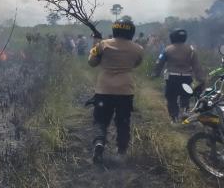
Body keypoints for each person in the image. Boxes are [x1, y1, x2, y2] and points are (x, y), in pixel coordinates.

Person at [88, 18, 144, 163]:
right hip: (125, 92)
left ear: (115, 29)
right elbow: (136, 64)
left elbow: (92, 62)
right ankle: (121, 152)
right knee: (123, 122)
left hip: (103, 90)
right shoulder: (138, 49)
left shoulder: (102, 45)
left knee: (100, 120)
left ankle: (99, 142)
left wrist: (95, 43)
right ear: (131, 31)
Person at [152, 28, 205, 123]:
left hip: (171, 78)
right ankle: (184, 111)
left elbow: (159, 63)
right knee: (185, 96)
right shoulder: (191, 50)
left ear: (172, 37)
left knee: (171, 97)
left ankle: (174, 118)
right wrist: (201, 79)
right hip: (186, 78)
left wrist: (155, 73)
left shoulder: (167, 49)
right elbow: (197, 66)